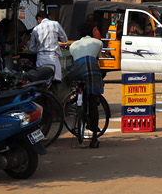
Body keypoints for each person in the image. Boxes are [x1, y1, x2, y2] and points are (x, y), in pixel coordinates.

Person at [68, 17, 106, 148]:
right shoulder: (97, 43)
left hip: (77, 71)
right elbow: (97, 58)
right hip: (91, 68)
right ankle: (94, 137)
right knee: (92, 100)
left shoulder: (73, 45)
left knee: (80, 88)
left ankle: (76, 101)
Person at [29, 8, 68, 80]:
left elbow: (31, 49)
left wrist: (38, 49)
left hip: (40, 59)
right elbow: (65, 40)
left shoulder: (36, 29)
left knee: (41, 81)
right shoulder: (55, 24)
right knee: (55, 81)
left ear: (39, 18)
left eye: (37, 20)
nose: (37, 22)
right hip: (53, 58)